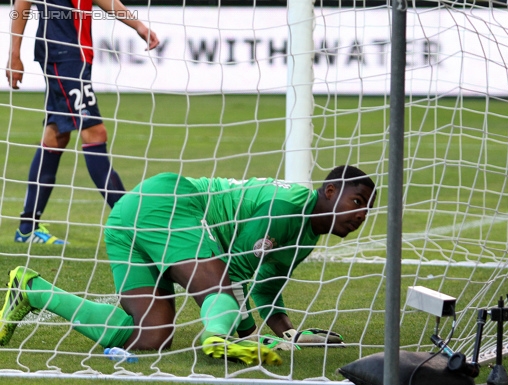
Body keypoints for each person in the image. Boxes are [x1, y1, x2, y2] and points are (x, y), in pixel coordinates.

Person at [0, 165, 376, 366]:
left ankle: (32, 289)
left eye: (366, 209)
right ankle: (216, 339)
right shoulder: (285, 209)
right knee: (220, 289)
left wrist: (288, 333)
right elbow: (236, 277)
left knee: (151, 336)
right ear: (330, 191)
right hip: (170, 202)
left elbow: (265, 288)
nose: (360, 215)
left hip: (127, 219)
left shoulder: (306, 235)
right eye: (356, 201)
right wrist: (242, 335)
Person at [6, 0, 160, 244]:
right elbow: (21, 4)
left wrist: (138, 26)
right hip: (62, 55)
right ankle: (133, 225)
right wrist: (14, 55)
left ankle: (27, 229)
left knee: (56, 136)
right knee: (95, 133)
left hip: (76, 57)